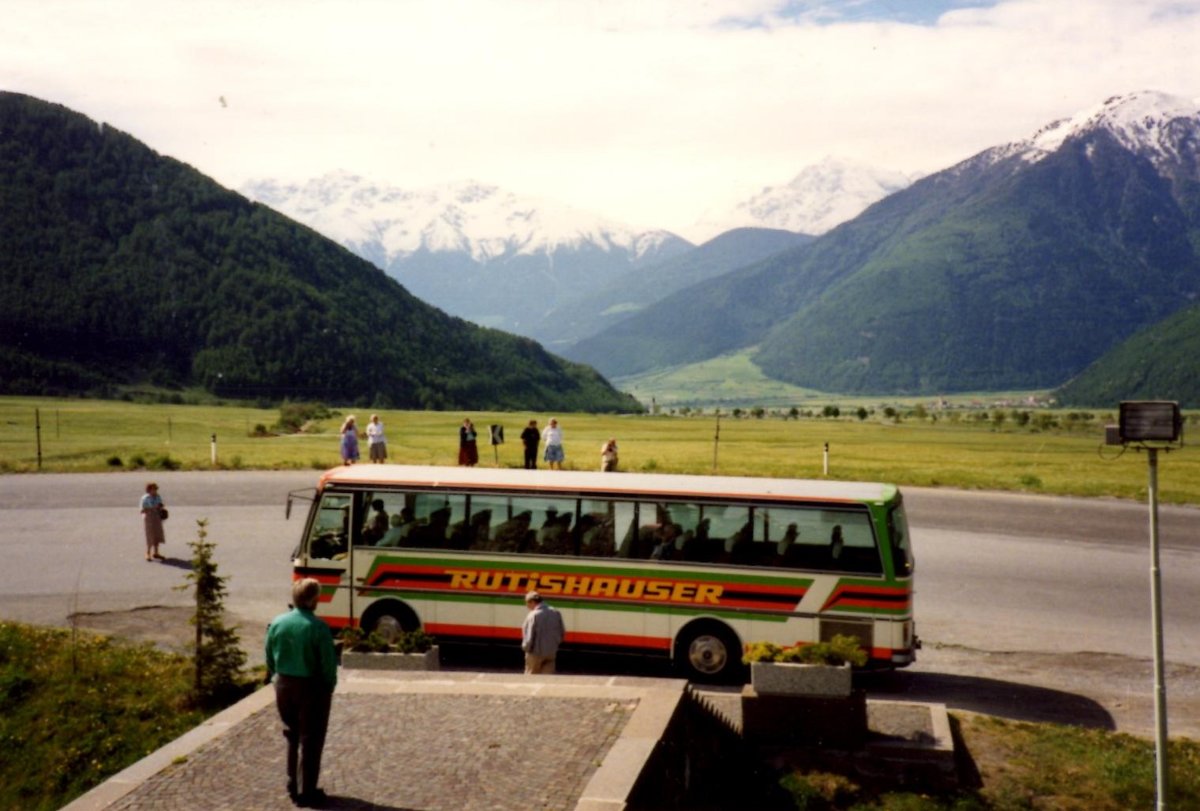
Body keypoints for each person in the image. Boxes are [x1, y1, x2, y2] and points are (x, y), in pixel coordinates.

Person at [264, 578, 338, 808]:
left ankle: (292, 784)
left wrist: (277, 677)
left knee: (292, 735)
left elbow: (269, 655)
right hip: (311, 688)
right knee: (311, 739)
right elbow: (328, 664)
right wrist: (329, 686)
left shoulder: (278, 623)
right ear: (312, 599)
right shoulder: (318, 627)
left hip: (284, 685)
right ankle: (308, 790)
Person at [521, 591, 565, 675]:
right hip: (551, 653)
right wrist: (554, 646)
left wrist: (526, 648)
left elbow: (529, 636)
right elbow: (562, 632)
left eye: (527, 603)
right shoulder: (556, 613)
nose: (527, 606)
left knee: (531, 678)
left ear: (532, 602)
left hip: (535, 653)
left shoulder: (533, 615)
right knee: (546, 679)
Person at [139, 482, 167, 561]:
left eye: (155, 489)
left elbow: (161, 504)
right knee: (150, 535)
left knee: (157, 534)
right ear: (149, 490)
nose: (155, 491)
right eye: (153, 489)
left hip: (157, 517)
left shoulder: (158, 496)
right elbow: (142, 509)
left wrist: (161, 507)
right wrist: (152, 508)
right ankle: (148, 553)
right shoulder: (145, 498)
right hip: (149, 517)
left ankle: (156, 552)